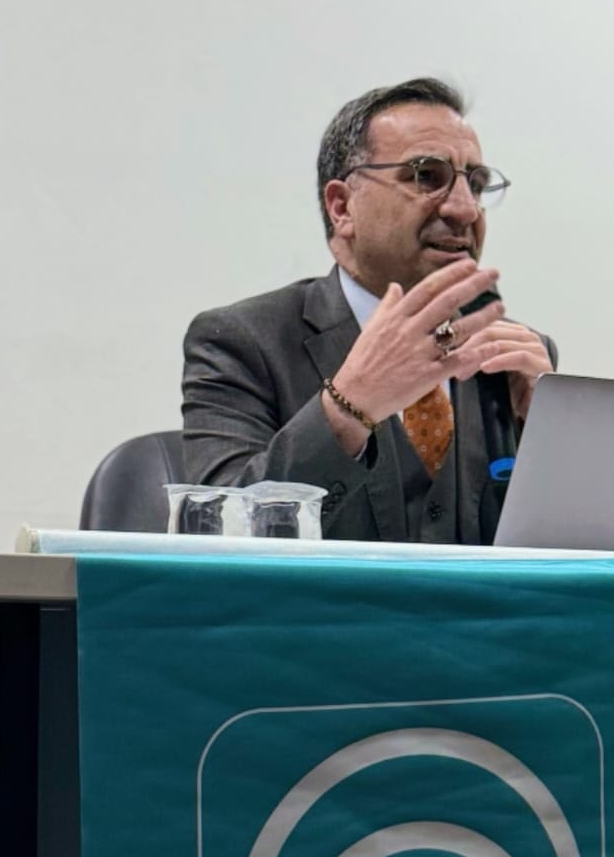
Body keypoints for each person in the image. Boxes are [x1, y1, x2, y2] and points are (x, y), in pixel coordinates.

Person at [181, 77, 556, 544]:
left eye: (475, 185)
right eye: (426, 176)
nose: (465, 210)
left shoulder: (515, 358)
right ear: (342, 207)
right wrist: (347, 408)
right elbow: (220, 533)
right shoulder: (242, 341)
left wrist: (559, 438)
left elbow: (575, 551)